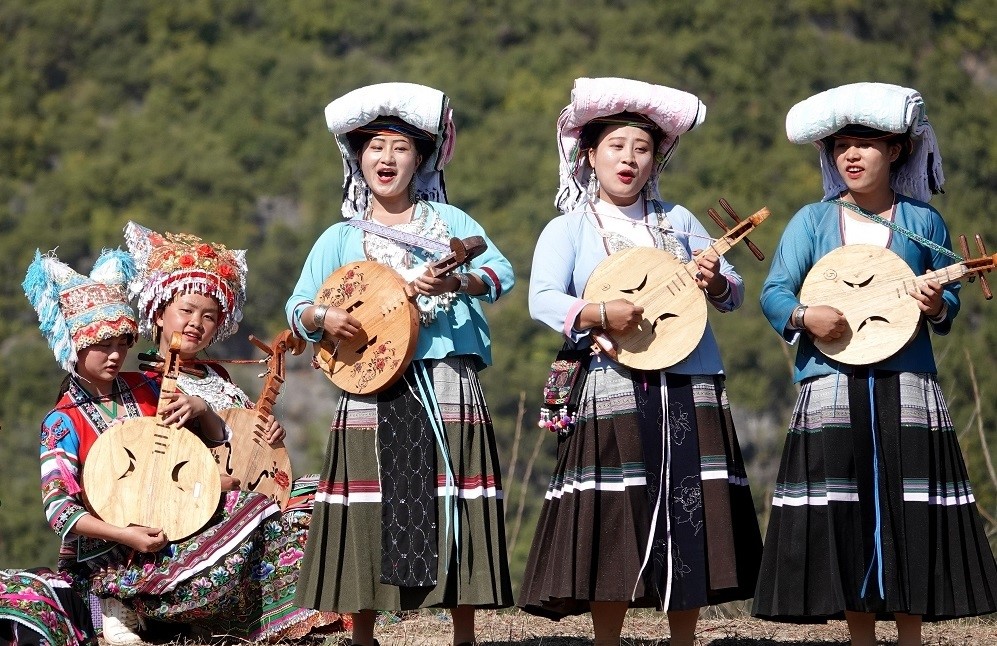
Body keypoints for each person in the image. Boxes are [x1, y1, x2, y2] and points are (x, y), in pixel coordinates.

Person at [518, 77, 762, 646]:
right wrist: (600, 311)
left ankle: (684, 638)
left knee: (689, 508)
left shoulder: (678, 222)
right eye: (616, 146)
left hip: (688, 380)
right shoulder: (569, 228)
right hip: (611, 382)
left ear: (656, 160)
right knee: (614, 511)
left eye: (643, 149)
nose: (629, 159)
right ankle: (608, 639)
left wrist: (715, 278)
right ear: (589, 155)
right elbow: (542, 298)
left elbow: (735, 291)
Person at [753, 82, 997, 646]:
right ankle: (859, 635)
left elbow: (948, 299)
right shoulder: (811, 223)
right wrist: (804, 317)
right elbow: (776, 292)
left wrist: (940, 301)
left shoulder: (924, 222)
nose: (852, 156)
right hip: (831, 383)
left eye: (866, 144)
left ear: (898, 152)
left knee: (907, 506)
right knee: (845, 510)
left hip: (905, 381)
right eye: (842, 147)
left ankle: (910, 634)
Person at [285, 82, 515, 646]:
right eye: (374, 148)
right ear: (357, 159)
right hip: (368, 383)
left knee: (451, 498)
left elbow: (500, 275)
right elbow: (297, 306)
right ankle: (364, 634)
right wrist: (324, 319)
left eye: (400, 148)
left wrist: (458, 280)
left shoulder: (450, 222)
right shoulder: (339, 238)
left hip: (445, 377)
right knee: (371, 502)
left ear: (421, 159)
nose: (386, 159)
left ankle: (464, 633)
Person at [122, 221, 345, 640]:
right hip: (192, 511)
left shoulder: (218, 377)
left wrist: (268, 440)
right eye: (185, 311)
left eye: (209, 316)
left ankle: (345, 605)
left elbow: (245, 446)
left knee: (329, 491)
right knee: (273, 515)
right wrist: (211, 459)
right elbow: (153, 470)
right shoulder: (143, 386)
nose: (196, 323)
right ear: (159, 312)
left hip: (246, 489)